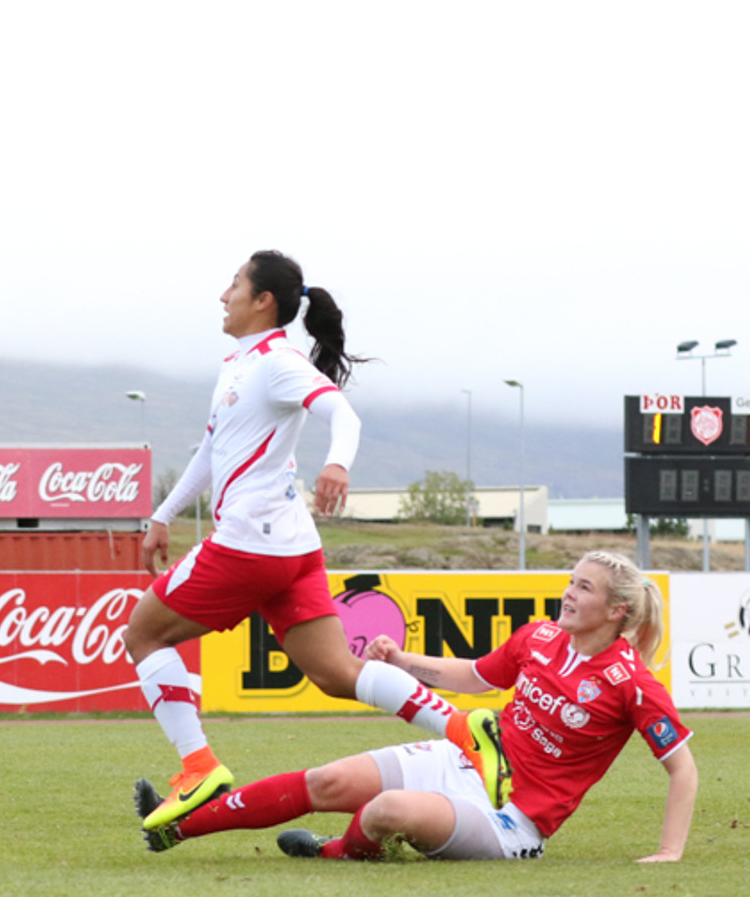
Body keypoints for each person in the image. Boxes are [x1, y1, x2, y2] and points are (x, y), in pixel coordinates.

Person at [125, 250, 509, 831]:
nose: (223, 296)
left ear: (263, 301)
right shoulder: (240, 365)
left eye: (234, 285)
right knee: (336, 673)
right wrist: (164, 514)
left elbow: (344, 415)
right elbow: (212, 451)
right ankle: (463, 728)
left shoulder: (277, 363)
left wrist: (337, 464)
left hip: (249, 544)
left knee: (143, 633)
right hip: (292, 549)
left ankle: (198, 766)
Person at [134, 551, 698, 864]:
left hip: (510, 820)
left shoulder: (633, 683)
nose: (569, 593)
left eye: (585, 588)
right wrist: (403, 661)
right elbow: (474, 677)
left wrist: (669, 851)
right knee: (327, 781)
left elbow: (683, 769)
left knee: (385, 811)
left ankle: (336, 853)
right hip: (463, 758)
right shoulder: (539, 637)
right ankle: (176, 827)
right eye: (571, 582)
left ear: (617, 612)